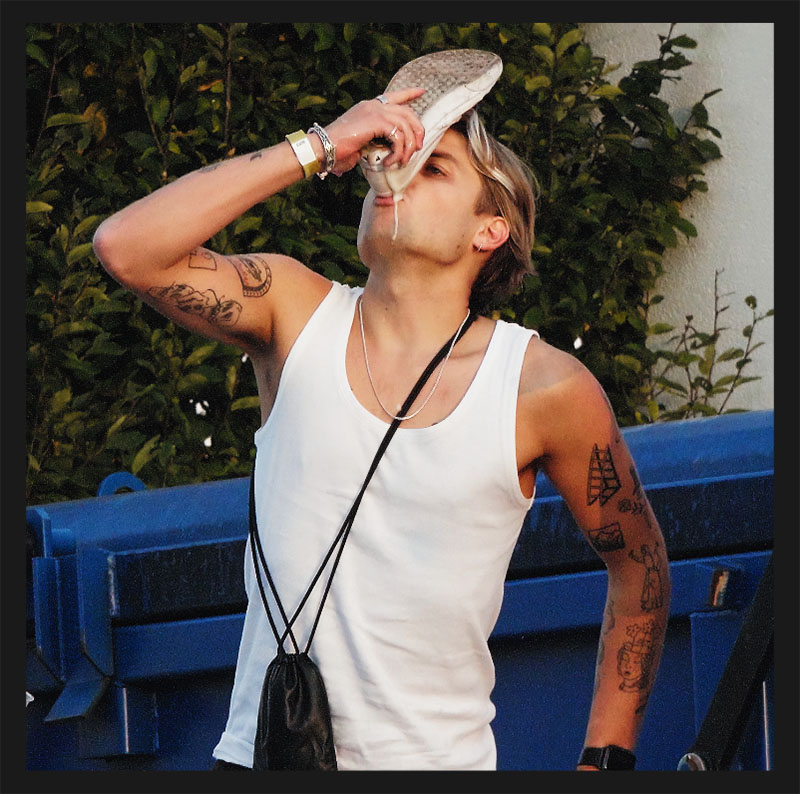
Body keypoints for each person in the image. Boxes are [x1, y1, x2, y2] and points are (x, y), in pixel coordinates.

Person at [93, 58, 670, 771]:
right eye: (394, 158)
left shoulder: (541, 387)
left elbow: (640, 567)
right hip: (260, 759)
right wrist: (320, 145)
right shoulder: (293, 312)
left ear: (490, 230)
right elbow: (126, 247)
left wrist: (604, 761)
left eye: (435, 168)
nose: (398, 171)